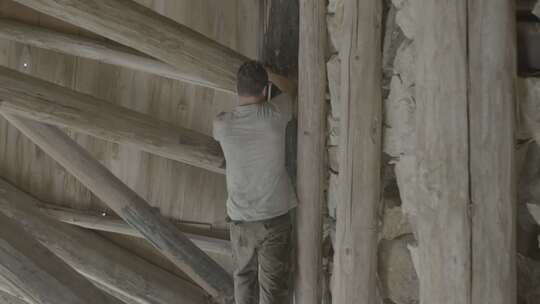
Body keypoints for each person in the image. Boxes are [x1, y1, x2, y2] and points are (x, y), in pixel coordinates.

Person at [213, 61, 297, 304]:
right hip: (274, 218)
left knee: (243, 279)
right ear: (265, 90)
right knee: (273, 289)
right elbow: (292, 89)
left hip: (240, 220)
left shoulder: (222, 125)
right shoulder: (275, 115)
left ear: (237, 90)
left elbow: (220, 121)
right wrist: (272, 74)